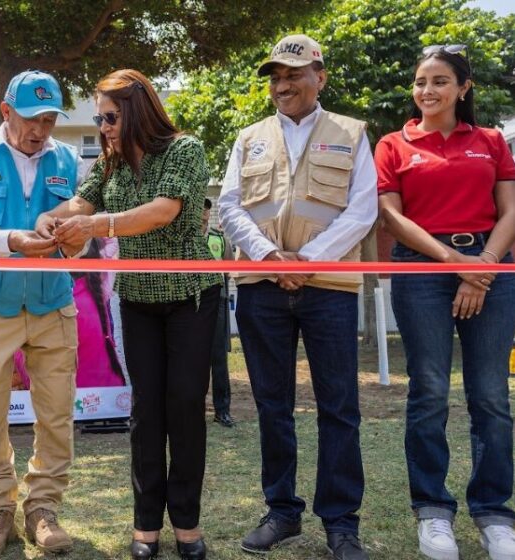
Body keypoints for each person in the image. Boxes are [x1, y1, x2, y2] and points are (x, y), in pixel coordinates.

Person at [36, 68, 222, 560]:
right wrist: (53, 218)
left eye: (111, 116)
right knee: (144, 412)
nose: (104, 126)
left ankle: (187, 524)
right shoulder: (110, 160)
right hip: (137, 301)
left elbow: (164, 210)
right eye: (99, 118)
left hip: (190, 299)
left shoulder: (184, 149)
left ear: (137, 109)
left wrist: (96, 223)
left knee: (183, 408)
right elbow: (82, 199)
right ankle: (145, 526)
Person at [218, 35, 377, 560]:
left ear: (320, 77)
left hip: (328, 287)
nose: (282, 85)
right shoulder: (249, 137)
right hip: (263, 285)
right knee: (272, 405)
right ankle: (282, 512)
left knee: (339, 406)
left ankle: (340, 522)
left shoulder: (352, 133)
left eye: (293, 75)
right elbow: (230, 207)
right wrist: (269, 258)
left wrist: (307, 262)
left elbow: (363, 210)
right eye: (275, 77)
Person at [375, 45, 515, 560]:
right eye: (419, 82)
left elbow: (511, 209)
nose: (426, 91)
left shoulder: (492, 141)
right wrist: (454, 264)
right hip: (421, 270)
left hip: (492, 266)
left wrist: (483, 268)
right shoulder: (393, 144)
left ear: (463, 87)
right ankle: (432, 511)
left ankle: (495, 513)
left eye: (438, 81)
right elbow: (392, 217)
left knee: (491, 396)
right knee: (429, 392)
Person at [0, 70, 80, 558]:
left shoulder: (69, 159)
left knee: (57, 413)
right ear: (6, 112)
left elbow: (81, 233)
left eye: (49, 119)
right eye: (31, 119)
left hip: (52, 303)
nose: (40, 130)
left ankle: (43, 507)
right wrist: (15, 242)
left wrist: (74, 239)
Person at [202, 198, 234, 428]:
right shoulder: (187, 236)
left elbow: (229, 269)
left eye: (207, 209)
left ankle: (222, 411)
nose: (204, 213)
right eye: (201, 208)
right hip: (191, 302)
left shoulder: (218, 238)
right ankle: (194, 409)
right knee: (193, 359)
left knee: (219, 359)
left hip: (218, 300)